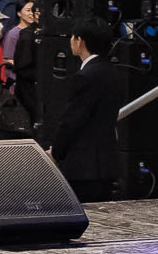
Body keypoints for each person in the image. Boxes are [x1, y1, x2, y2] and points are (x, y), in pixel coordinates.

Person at [48, 20, 122, 193]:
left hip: (83, 163)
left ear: (80, 41)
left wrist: (57, 152)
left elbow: (72, 121)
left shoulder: (86, 76)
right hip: (106, 160)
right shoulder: (112, 71)